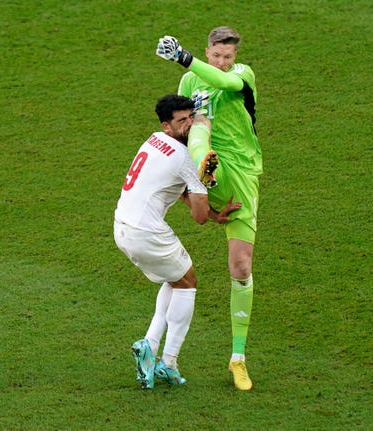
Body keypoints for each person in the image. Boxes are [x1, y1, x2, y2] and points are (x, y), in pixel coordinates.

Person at [156, 26, 261, 391]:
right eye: (216, 54)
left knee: (241, 265)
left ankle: (238, 358)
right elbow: (178, 134)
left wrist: (184, 56)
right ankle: (207, 170)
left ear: (234, 57)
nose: (221, 61)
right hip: (206, 168)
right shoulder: (189, 83)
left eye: (227, 56)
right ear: (209, 50)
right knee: (198, 123)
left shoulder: (240, 75)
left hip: (243, 173)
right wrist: (188, 190)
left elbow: (224, 82)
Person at [113, 94, 241, 389]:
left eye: (190, 118)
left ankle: (149, 346)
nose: (188, 126)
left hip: (122, 226)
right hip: (147, 232)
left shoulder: (155, 139)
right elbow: (196, 215)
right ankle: (168, 363)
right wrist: (205, 176)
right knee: (189, 281)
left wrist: (213, 214)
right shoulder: (187, 158)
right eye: (181, 121)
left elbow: (175, 187)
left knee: (175, 280)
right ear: (167, 125)